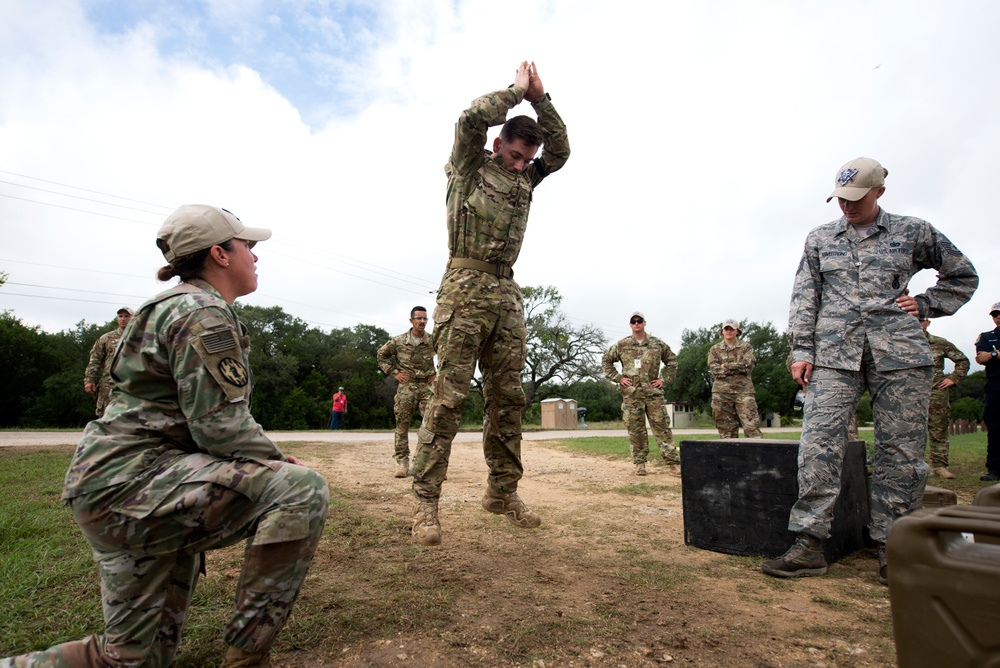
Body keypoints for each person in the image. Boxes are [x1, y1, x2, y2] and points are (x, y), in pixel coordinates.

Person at [2, 205, 329, 668]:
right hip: (136, 483)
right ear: (219, 253)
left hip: (114, 487)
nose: (256, 257)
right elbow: (219, 425)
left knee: (133, 659)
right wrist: (279, 460)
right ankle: (247, 659)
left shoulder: (172, 306)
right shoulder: (202, 312)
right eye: (248, 247)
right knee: (299, 489)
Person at [762, 157, 978, 586]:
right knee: (818, 446)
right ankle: (808, 543)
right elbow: (805, 296)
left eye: (856, 199)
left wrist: (928, 303)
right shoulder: (820, 238)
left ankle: (893, 547)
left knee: (900, 452)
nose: (847, 207)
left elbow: (963, 275)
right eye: (841, 199)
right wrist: (800, 349)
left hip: (899, 354)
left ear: (879, 191)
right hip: (833, 355)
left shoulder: (914, 231)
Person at [410, 61, 570, 546]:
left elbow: (562, 152)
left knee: (509, 401)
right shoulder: (469, 167)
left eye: (526, 159)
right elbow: (469, 120)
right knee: (449, 400)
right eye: (515, 155)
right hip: (463, 288)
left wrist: (542, 100)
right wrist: (515, 93)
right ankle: (425, 503)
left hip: (507, 295)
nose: (521, 165)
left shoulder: (525, 178)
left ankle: (503, 493)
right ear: (498, 144)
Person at [601, 311, 679, 476]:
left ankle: (673, 464)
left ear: (644, 323)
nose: (636, 324)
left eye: (639, 321)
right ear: (630, 324)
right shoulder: (622, 345)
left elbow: (672, 360)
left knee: (662, 428)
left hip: (653, 394)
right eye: (633, 321)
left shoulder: (657, 344)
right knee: (636, 431)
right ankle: (640, 464)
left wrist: (663, 379)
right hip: (632, 394)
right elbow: (606, 360)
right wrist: (618, 378)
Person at [377, 306, 437, 478]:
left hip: (427, 387)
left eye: (425, 319)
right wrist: (395, 373)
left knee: (430, 426)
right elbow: (381, 355)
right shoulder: (399, 341)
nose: (422, 321)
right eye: (419, 318)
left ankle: (424, 464)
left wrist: (438, 374)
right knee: (402, 425)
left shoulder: (432, 340)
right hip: (407, 387)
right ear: (411, 320)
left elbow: (448, 356)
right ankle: (402, 463)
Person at [920, 318, 969, 479]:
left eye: (921, 320)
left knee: (938, 430)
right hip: (908, 395)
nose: (917, 323)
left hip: (936, 393)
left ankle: (939, 466)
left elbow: (962, 360)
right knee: (908, 432)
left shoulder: (939, 343)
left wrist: (953, 378)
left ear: (928, 322)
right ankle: (913, 466)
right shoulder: (899, 341)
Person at [708, 319, 763, 439]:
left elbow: (747, 366)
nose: (728, 331)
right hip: (721, 394)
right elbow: (715, 370)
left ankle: (756, 456)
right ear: (722, 331)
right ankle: (730, 457)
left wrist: (726, 366)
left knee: (751, 428)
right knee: (726, 431)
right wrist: (738, 367)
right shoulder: (714, 349)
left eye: (731, 329)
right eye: (726, 329)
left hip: (744, 393)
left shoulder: (746, 347)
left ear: (737, 331)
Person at [83, 307, 133, 417]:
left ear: (133, 318)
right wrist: (89, 379)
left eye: (126, 316)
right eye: (120, 316)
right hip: (109, 385)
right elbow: (95, 359)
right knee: (106, 417)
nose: (123, 319)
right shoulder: (107, 338)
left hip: (131, 385)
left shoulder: (139, 337)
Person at [974, 301, 1000, 482]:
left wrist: (993, 354)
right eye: (995, 314)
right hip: (996, 386)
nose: (998, 317)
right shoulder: (986, 337)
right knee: (995, 427)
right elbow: (980, 358)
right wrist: (993, 354)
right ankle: (995, 469)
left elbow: (987, 356)